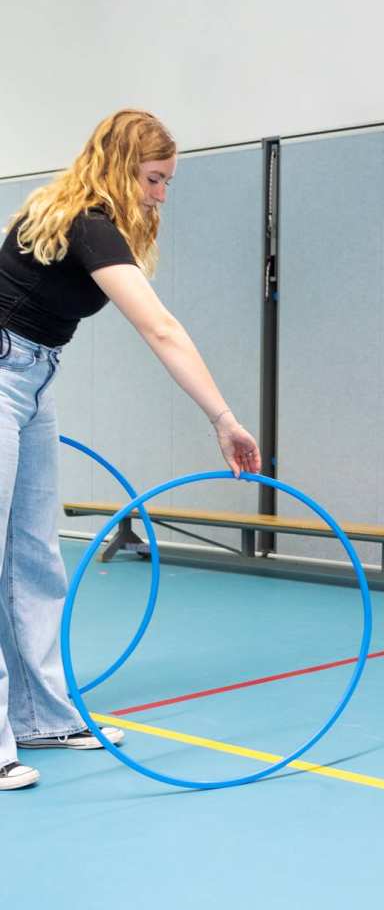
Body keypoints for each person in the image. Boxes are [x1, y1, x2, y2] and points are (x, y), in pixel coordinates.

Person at [0, 109, 260, 791]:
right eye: (153, 179)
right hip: (3, 371)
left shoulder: (83, 221)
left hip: (35, 377)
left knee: (35, 554)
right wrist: (224, 418)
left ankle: (41, 714)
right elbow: (162, 329)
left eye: (168, 182)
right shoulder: (84, 221)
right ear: (122, 168)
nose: (160, 195)